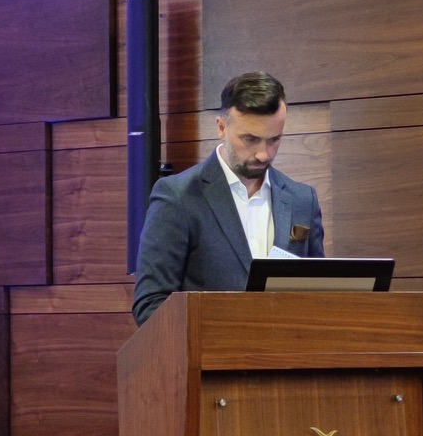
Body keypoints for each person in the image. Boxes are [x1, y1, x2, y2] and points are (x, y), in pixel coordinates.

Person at [131, 69, 325, 326]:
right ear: (221, 127)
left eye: (274, 140)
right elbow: (150, 304)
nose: (263, 154)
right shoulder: (178, 197)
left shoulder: (303, 199)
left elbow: (318, 296)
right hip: (210, 349)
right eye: (250, 139)